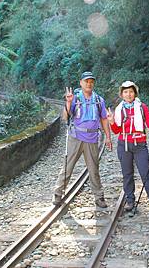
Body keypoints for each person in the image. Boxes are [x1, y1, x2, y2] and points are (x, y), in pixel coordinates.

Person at [52, 71, 112, 208]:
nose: (89, 84)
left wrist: (108, 136)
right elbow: (65, 117)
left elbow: (103, 119)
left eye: (91, 81)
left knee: (93, 169)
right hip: (76, 137)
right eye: (86, 81)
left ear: (93, 83)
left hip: (92, 138)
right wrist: (68, 102)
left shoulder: (99, 100)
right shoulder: (74, 98)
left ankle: (99, 197)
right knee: (68, 166)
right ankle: (58, 193)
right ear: (81, 83)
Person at [106, 81, 149, 214]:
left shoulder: (142, 107)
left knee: (146, 173)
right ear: (122, 94)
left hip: (139, 144)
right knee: (127, 174)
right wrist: (111, 122)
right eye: (126, 92)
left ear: (135, 93)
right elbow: (116, 131)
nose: (129, 94)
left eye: (131, 91)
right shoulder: (119, 109)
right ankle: (130, 200)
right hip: (124, 144)